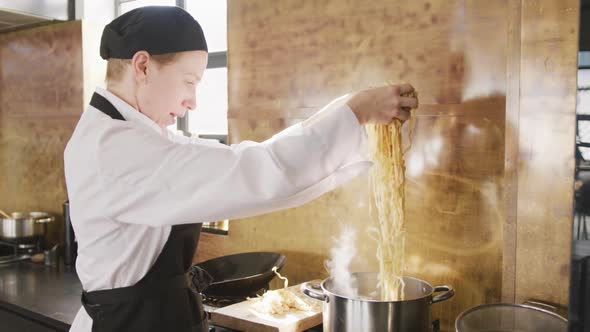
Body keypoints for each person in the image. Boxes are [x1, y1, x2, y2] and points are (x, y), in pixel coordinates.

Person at [64, 5, 418, 332]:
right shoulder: (115, 149)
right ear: (142, 66)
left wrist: (352, 110)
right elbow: (257, 173)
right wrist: (356, 112)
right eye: (189, 81)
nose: (193, 102)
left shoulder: (134, 136)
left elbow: (246, 159)